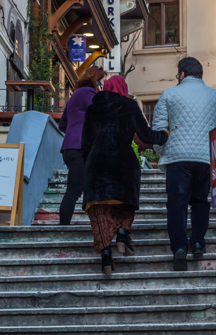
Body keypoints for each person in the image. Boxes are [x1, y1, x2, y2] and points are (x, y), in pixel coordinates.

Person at [81, 75, 169, 276]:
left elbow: (85, 144)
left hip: (97, 167)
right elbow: (146, 135)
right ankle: (122, 234)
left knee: (100, 213)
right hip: (124, 165)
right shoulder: (129, 106)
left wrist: (89, 166)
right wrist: (165, 134)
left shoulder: (93, 109)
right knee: (125, 204)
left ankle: (105, 257)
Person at [152, 56, 216, 271]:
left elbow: (159, 129)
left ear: (181, 74)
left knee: (176, 204)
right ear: (200, 74)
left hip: (178, 158)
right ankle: (197, 241)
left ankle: (179, 247)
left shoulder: (169, 94)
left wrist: (162, 152)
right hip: (205, 158)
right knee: (200, 201)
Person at [57, 66, 106, 225]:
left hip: (70, 148)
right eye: (100, 81)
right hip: (80, 149)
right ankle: (63, 228)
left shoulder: (75, 95)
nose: (101, 85)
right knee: (74, 191)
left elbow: (62, 125)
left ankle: (96, 226)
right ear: (94, 79)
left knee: (81, 188)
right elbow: (100, 115)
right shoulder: (88, 93)